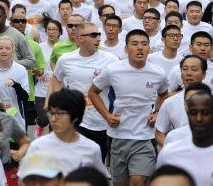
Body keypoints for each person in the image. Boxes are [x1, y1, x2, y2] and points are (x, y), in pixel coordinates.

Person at [88, 29, 169, 186]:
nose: (140, 48)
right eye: (135, 44)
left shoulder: (158, 73)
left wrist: (157, 112)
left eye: (144, 44)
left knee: (139, 182)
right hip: (118, 136)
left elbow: (164, 94)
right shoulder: (113, 70)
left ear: (149, 48)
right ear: (126, 48)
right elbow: (93, 92)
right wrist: (107, 116)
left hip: (145, 137)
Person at [48, 22, 118, 161]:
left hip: (101, 121)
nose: (98, 38)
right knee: (76, 160)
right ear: (80, 38)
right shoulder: (65, 59)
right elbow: (56, 78)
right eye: (93, 35)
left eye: (98, 34)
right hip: (76, 120)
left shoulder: (111, 59)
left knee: (96, 162)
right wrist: (59, 99)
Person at [25, 89, 107, 176]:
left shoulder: (91, 149)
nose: (53, 119)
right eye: (51, 113)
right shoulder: (38, 146)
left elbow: (99, 179)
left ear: (75, 116)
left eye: (60, 114)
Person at [156, 89, 213, 186]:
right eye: (193, 112)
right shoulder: (169, 152)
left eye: (205, 112)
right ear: (187, 114)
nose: (199, 118)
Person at [155, 58, 207, 147]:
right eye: (185, 69)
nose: (189, 73)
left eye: (194, 69)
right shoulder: (169, 102)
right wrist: (174, 149)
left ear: (204, 74)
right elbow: (159, 132)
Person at [0, 37, 30, 129]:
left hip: (15, 118)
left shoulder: (20, 69)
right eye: (0, 48)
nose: (4, 51)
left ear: (13, 51)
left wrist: (16, 86)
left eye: (7, 48)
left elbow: (25, 97)